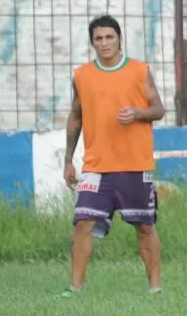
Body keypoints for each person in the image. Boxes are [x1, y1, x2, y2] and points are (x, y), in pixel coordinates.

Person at [61, 15, 166, 297]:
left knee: (144, 226)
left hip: (135, 164)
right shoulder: (82, 75)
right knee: (82, 223)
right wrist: (69, 159)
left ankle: (155, 289)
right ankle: (75, 289)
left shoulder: (139, 71)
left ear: (119, 39)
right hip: (96, 166)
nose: (105, 43)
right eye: (99, 38)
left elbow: (159, 109)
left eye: (110, 37)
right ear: (92, 42)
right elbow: (75, 117)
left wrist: (137, 113)